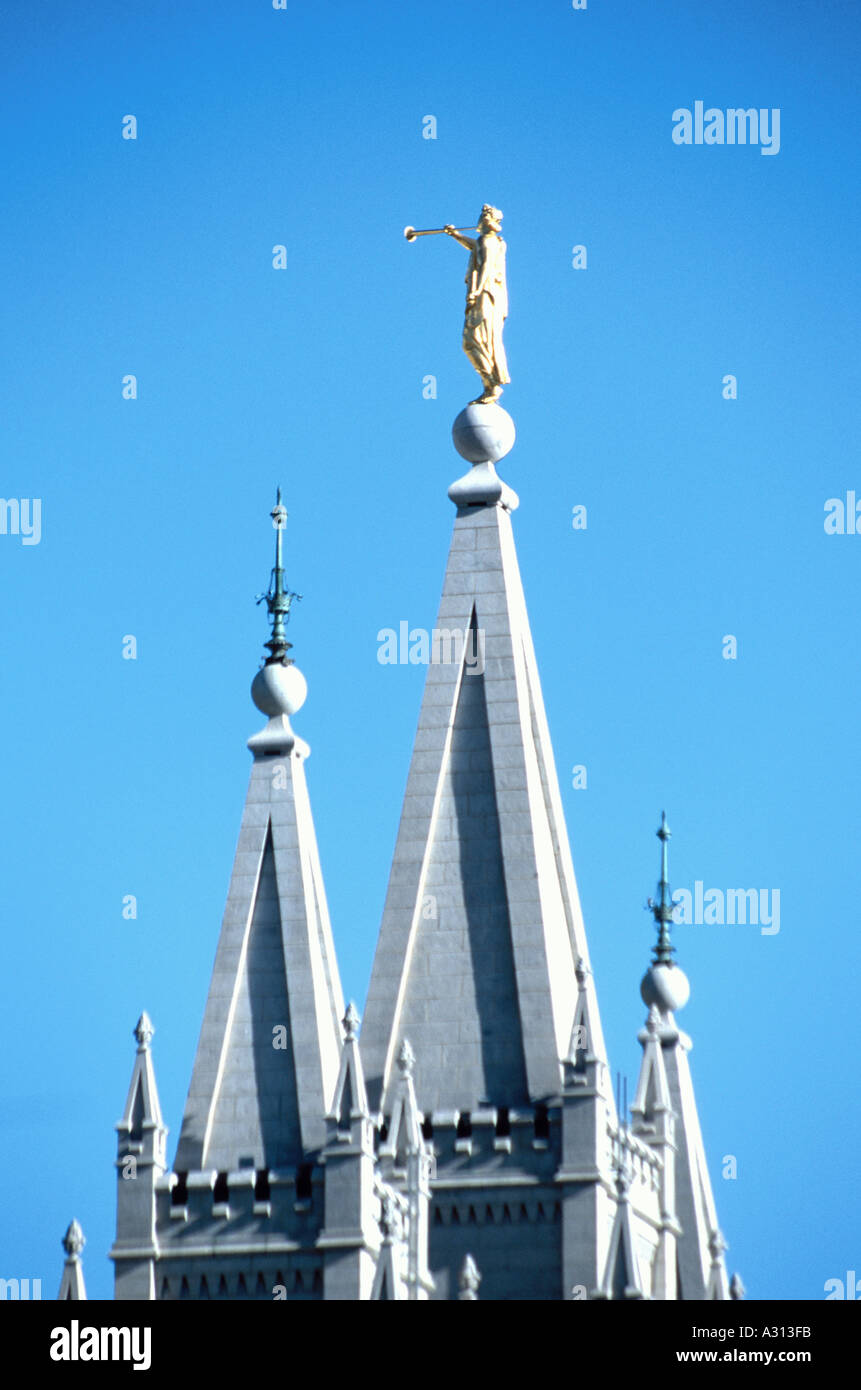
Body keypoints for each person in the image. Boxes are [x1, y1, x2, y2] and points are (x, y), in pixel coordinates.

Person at [444, 206, 510, 404]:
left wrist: (476, 290)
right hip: (489, 296)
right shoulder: (490, 241)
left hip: (486, 295)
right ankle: (490, 383)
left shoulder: (488, 242)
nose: (480, 221)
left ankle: (491, 384)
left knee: (472, 340)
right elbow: (475, 247)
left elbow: (487, 266)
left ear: (490, 221)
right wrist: (456, 235)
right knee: (478, 340)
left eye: (483, 217)